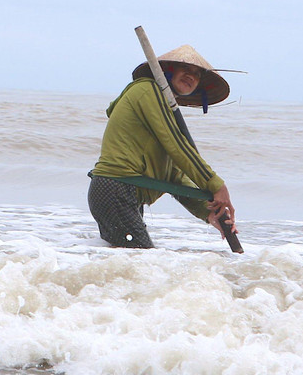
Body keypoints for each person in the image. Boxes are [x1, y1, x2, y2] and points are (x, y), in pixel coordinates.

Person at [88, 44, 236, 248]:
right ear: (167, 70)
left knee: (133, 265)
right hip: (115, 189)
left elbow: (176, 177)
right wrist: (217, 185)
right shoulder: (146, 90)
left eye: (197, 74)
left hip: (124, 194)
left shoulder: (163, 112)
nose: (191, 76)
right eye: (185, 69)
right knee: (143, 261)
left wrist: (209, 213)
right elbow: (177, 145)